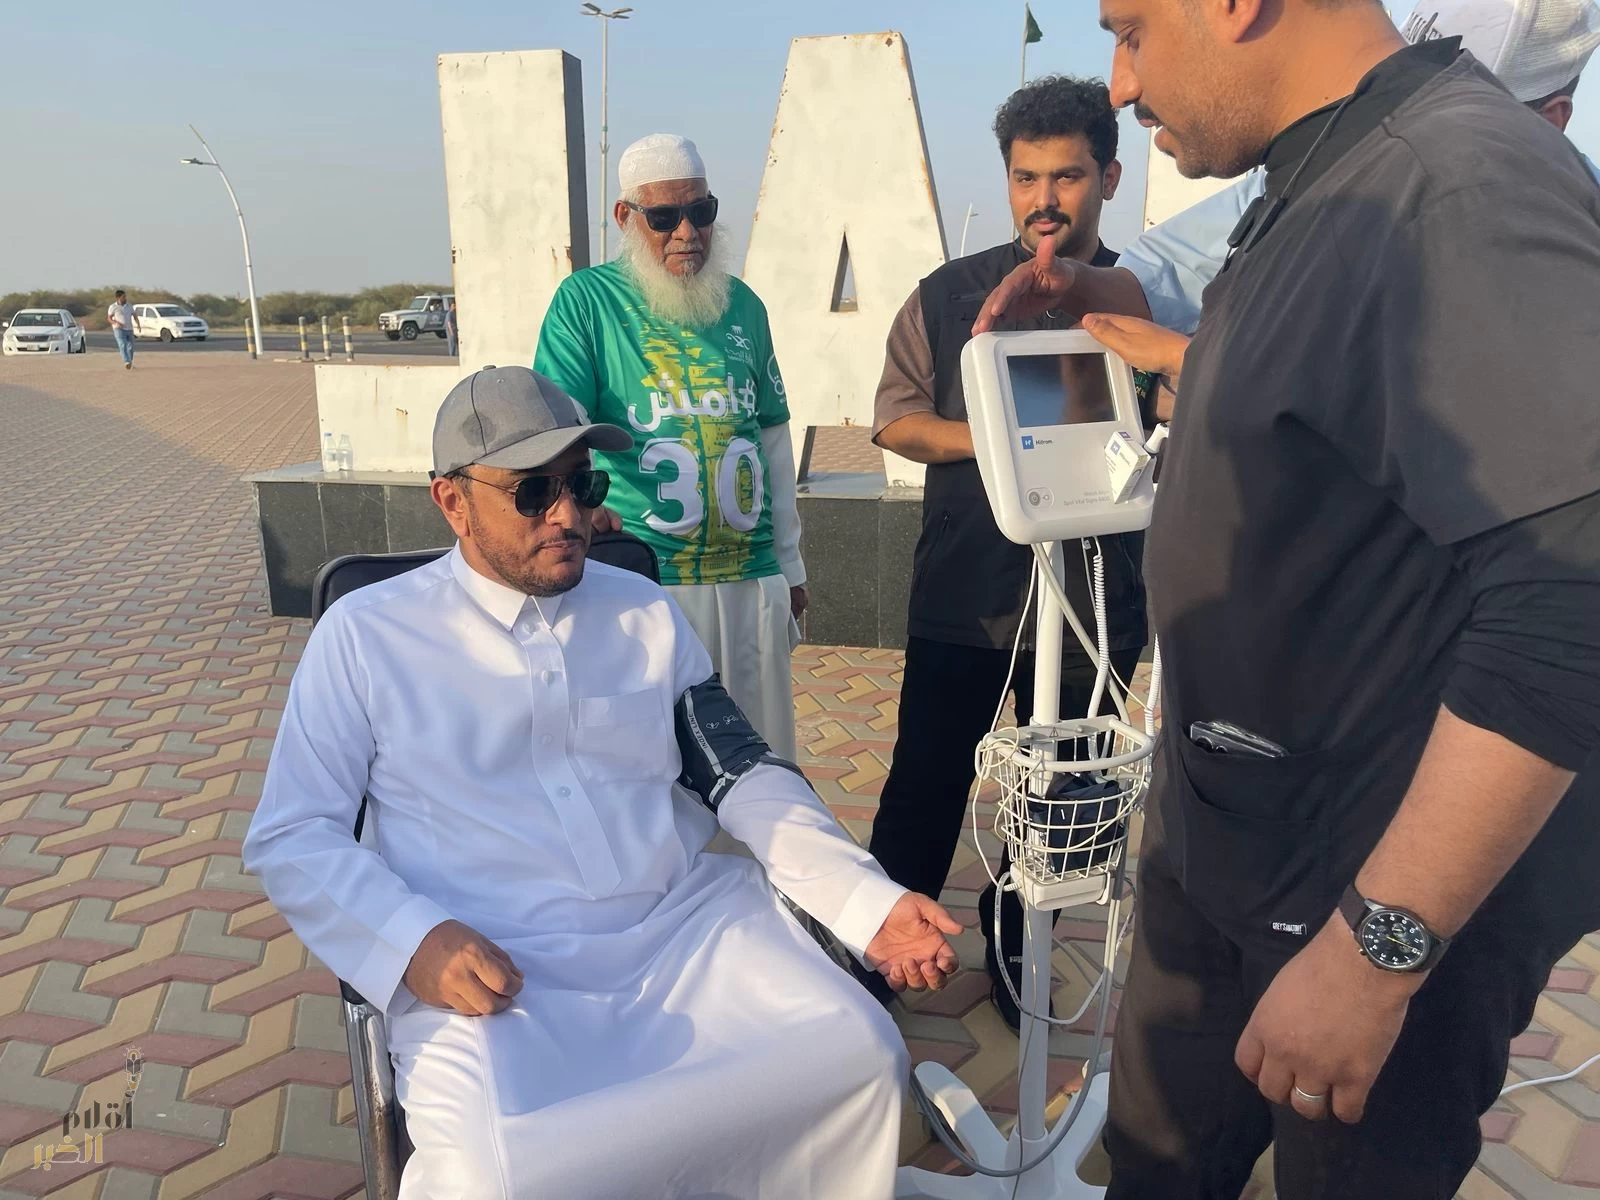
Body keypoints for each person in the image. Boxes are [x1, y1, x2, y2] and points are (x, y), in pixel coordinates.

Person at [979, 2, 1600, 1196]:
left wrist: (1377, 951)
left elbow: (1566, 606)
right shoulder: (1320, 178)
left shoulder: (1455, 189)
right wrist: (1149, 322)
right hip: (1232, 852)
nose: (1118, 84)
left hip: (1356, 886)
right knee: (1158, 1168)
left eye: (1131, 30)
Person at [243, 365, 962, 1200]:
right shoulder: (366, 637)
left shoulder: (643, 610)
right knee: (493, 1176)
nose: (568, 515)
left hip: (684, 935)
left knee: (860, 1057)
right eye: (533, 491)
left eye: (581, 484)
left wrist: (867, 902)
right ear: (452, 502)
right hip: (495, 967)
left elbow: (742, 773)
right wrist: (411, 944)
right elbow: (293, 833)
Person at [866, 76, 1149, 1030]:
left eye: (1067, 176)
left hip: (1099, 599)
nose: (1045, 199)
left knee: (1067, 797)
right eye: (1027, 177)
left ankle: (1019, 943)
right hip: (967, 593)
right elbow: (896, 420)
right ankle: (885, 948)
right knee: (925, 785)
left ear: (1109, 177)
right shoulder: (948, 295)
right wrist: (1006, 442)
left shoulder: (1142, 302)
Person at [1005, 0, 1600, 341]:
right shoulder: (1309, 173)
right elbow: (1170, 274)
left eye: (1133, 37)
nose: (1121, 88)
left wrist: (1207, 374)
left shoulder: (1479, 194)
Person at [535, 133, 808, 761]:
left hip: (749, 579)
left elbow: (772, 443)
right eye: (664, 217)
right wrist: (578, 508)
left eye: (700, 211)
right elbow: (558, 433)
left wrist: (790, 568)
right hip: (644, 579)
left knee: (759, 760)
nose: (687, 232)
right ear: (625, 217)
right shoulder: (586, 304)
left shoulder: (745, 306)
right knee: (656, 766)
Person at [107, 290, 136, 369]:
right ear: (118, 298)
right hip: (118, 329)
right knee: (122, 344)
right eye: (123, 297)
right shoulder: (113, 307)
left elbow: (134, 315)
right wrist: (115, 323)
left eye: (125, 296)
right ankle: (126, 362)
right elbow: (109, 318)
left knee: (131, 347)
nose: (125, 298)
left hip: (129, 329)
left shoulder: (129, 306)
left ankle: (130, 362)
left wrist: (138, 324)